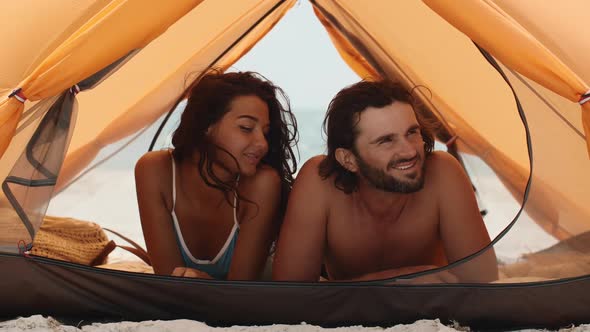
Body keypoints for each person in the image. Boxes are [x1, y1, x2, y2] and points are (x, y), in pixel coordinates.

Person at [272, 80, 498, 283]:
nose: (409, 151)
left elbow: (483, 281)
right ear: (349, 159)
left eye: (412, 132)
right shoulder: (319, 180)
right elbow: (289, 293)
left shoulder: (443, 171)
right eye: (386, 140)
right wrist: (397, 281)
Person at [135, 71, 297, 280]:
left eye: (265, 132)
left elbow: (240, 293)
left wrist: (203, 284)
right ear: (206, 126)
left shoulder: (261, 183)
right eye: (246, 128)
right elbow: (170, 281)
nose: (262, 144)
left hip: (249, 304)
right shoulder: (155, 170)